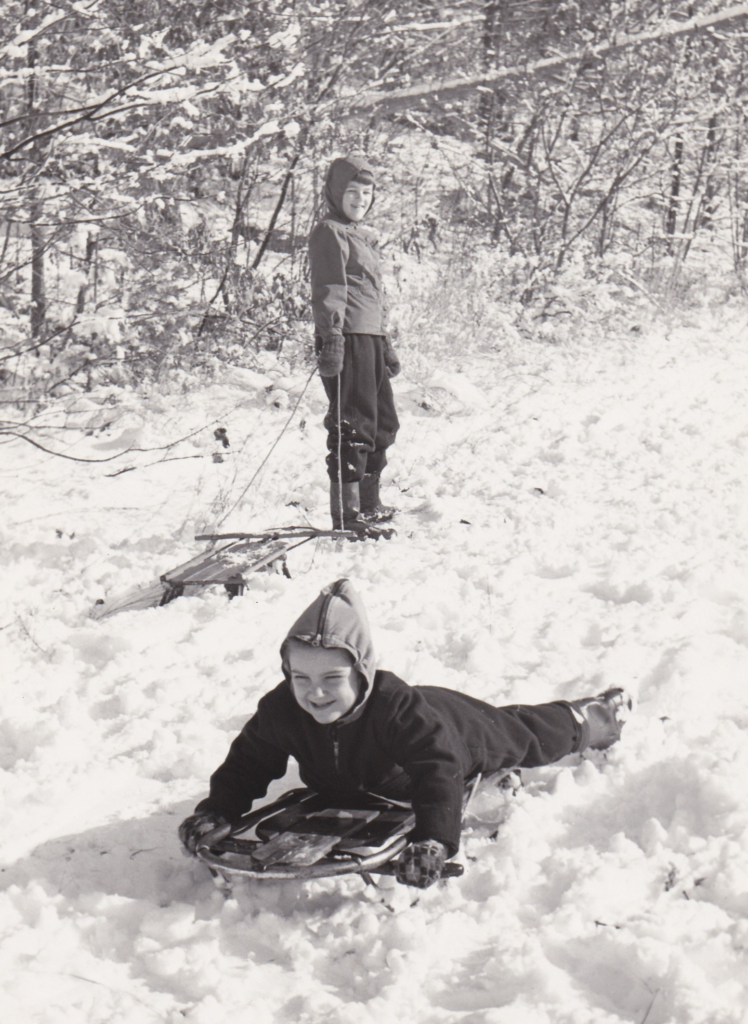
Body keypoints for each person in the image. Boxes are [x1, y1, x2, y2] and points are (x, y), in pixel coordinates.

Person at [179, 580, 632, 888]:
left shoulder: (396, 708)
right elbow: (248, 763)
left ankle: (591, 718)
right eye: (301, 679)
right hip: (371, 778)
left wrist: (434, 839)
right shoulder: (282, 709)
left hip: (449, 729)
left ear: (361, 672)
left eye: (332, 679)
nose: (315, 694)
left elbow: (437, 769)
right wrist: (218, 809)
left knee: (520, 735)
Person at [308, 155, 401, 532]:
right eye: (352, 191)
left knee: (383, 422)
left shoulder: (361, 235)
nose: (360, 199)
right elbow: (330, 287)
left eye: (366, 192)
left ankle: (368, 501)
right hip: (346, 337)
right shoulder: (329, 232)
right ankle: (347, 516)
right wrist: (331, 337)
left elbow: (370, 294)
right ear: (335, 192)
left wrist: (385, 342)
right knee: (354, 422)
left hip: (369, 337)